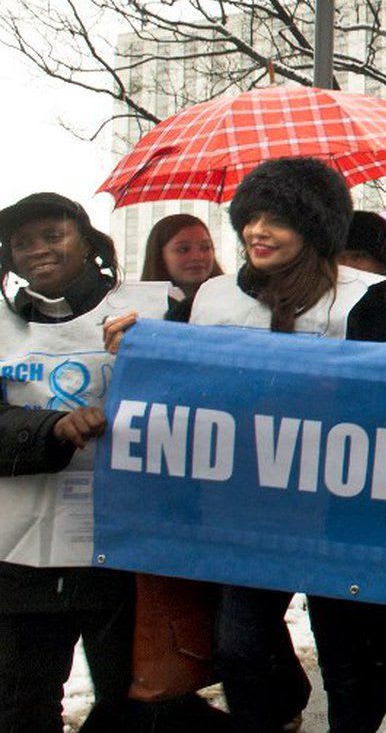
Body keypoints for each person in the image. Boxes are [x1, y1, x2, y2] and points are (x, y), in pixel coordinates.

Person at [107, 158, 386, 733]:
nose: (258, 231)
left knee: (353, 661)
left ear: (317, 228)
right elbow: (176, 379)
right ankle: (275, 715)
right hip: (250, 510)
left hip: (343, 514)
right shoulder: (212, 298)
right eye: (251, 217)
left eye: (278, 219)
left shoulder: (369, 300)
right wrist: (137, 347)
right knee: (240, 649)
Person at [0, 193, 171, 732]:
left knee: (135, 703)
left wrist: (158, 352)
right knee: (22, 708)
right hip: (20, 560)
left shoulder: (154, 312)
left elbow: (199, 399)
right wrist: (51, 428)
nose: (37, 251)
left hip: (123, 554)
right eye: (22, 243)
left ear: (88, 241)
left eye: (53, 235)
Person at [139, 212, 223, 302]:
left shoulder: (232, 298)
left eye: (205, 247)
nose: (197, 257)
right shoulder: (139, 308)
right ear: (159, 255)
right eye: (183, 249)